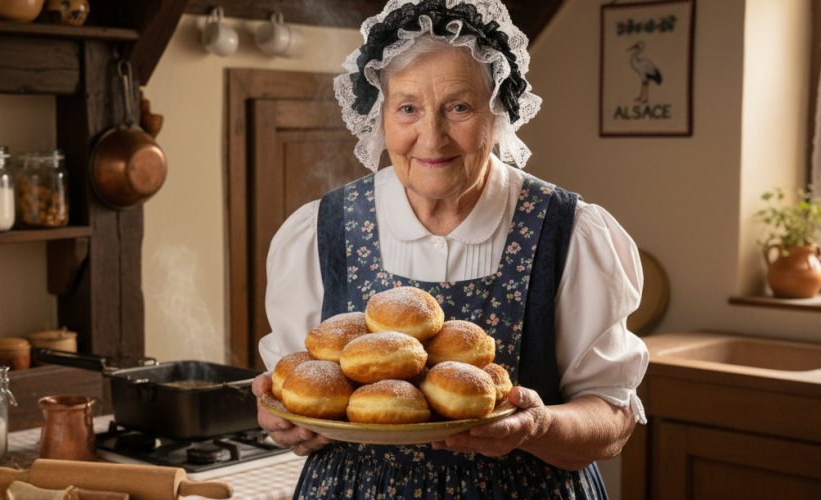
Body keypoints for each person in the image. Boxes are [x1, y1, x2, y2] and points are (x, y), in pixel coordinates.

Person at [251, 0, 648, 497]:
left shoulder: (568, 232)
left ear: (497, 113)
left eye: (458, 107)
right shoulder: (319, 231)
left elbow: (613, 419)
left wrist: (537, 426)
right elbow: (296, 396)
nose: (432, 138)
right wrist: (285, 421)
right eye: (408, 108)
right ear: (381, 116)